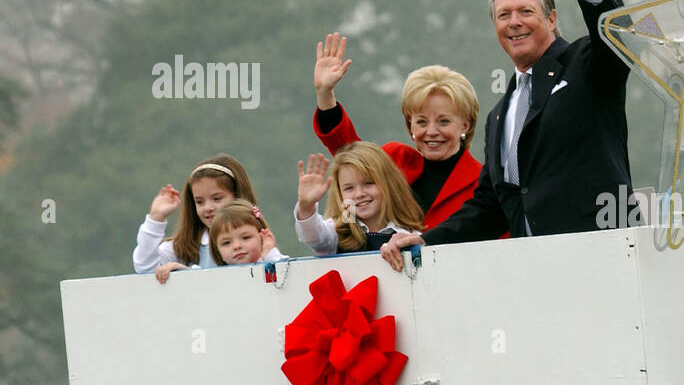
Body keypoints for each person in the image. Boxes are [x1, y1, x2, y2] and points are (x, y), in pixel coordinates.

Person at [380, 0, 635, 272]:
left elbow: (617, 35)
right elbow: (490, 209)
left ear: (551, 19)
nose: (515, 22)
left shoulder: (585, 64)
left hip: (603, 259)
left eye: (526, 12)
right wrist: (425, 239)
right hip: (533, 273)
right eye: (504, 15)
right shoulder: (501, 114)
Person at [312, 41, 482, 230]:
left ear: (465, 124)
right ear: (410, 125)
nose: (432, 132)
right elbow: (348, 152)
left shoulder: (484, 183)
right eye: (422, 122)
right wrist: (325, 94)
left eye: (444, 121)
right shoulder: (395, 160)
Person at [133, 154, 259, 274]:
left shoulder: (256, 239)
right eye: (199, 202)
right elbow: (145, 268)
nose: (208, 208)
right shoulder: (184, 246)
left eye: (217, 199)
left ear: (237, 196)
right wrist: (156, 218)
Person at [294, 142, 426, 255]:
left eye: (368, 183)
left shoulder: (410, 237)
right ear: (340, 195)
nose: (359, 194)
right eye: (349, 188)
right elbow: (313, 236)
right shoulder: (336, 236)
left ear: (388, 184)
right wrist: (306, 206)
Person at [155, 200, 286, 282]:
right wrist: (177, 268)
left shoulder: (268, 263)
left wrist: (269, 251)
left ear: (262, 237)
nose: (237, 246)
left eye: (246, 237)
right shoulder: (217, 274)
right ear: (217, 250)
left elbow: (285, 274)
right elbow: (197, 278)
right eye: (226, 243)